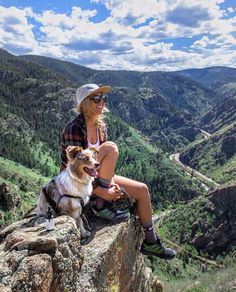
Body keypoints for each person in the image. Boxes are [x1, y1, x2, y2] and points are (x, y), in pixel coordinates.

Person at [60, 83, 176, 259]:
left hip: (97, 178)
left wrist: (111, 185)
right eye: (96, 98)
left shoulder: (100, 127)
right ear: (83, 103)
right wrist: (103, 192)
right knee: (111, 148)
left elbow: (104, 166)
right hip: (76, 185)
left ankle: (151, 242)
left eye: (103, 98)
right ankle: (100, 205)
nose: (102, 102)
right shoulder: (74, 129)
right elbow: (73, 171)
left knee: (142, 190)